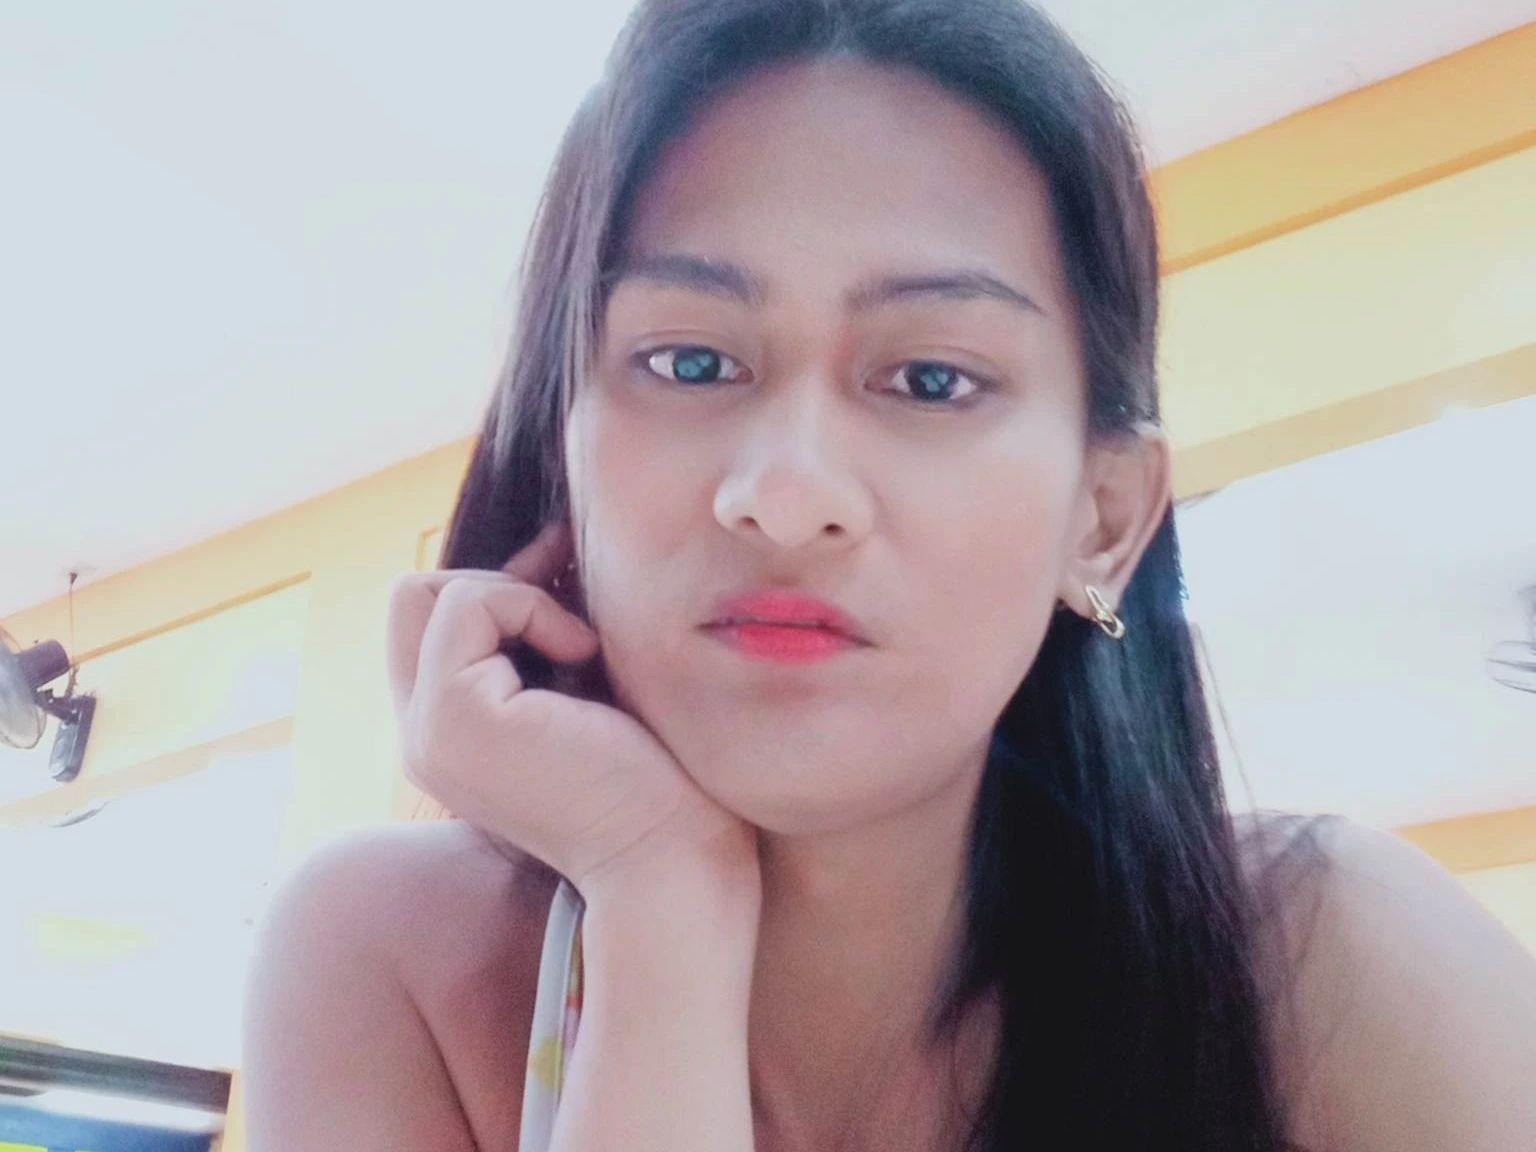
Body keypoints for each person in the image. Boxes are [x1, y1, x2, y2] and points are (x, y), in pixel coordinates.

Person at [240, 1, 1536, 1150]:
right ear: (562, 459)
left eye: (930, 378)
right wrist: (660, 893)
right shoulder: (387, 958)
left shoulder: (1334, 968)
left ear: (1102, 519)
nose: (786, 493)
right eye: (691, 362)